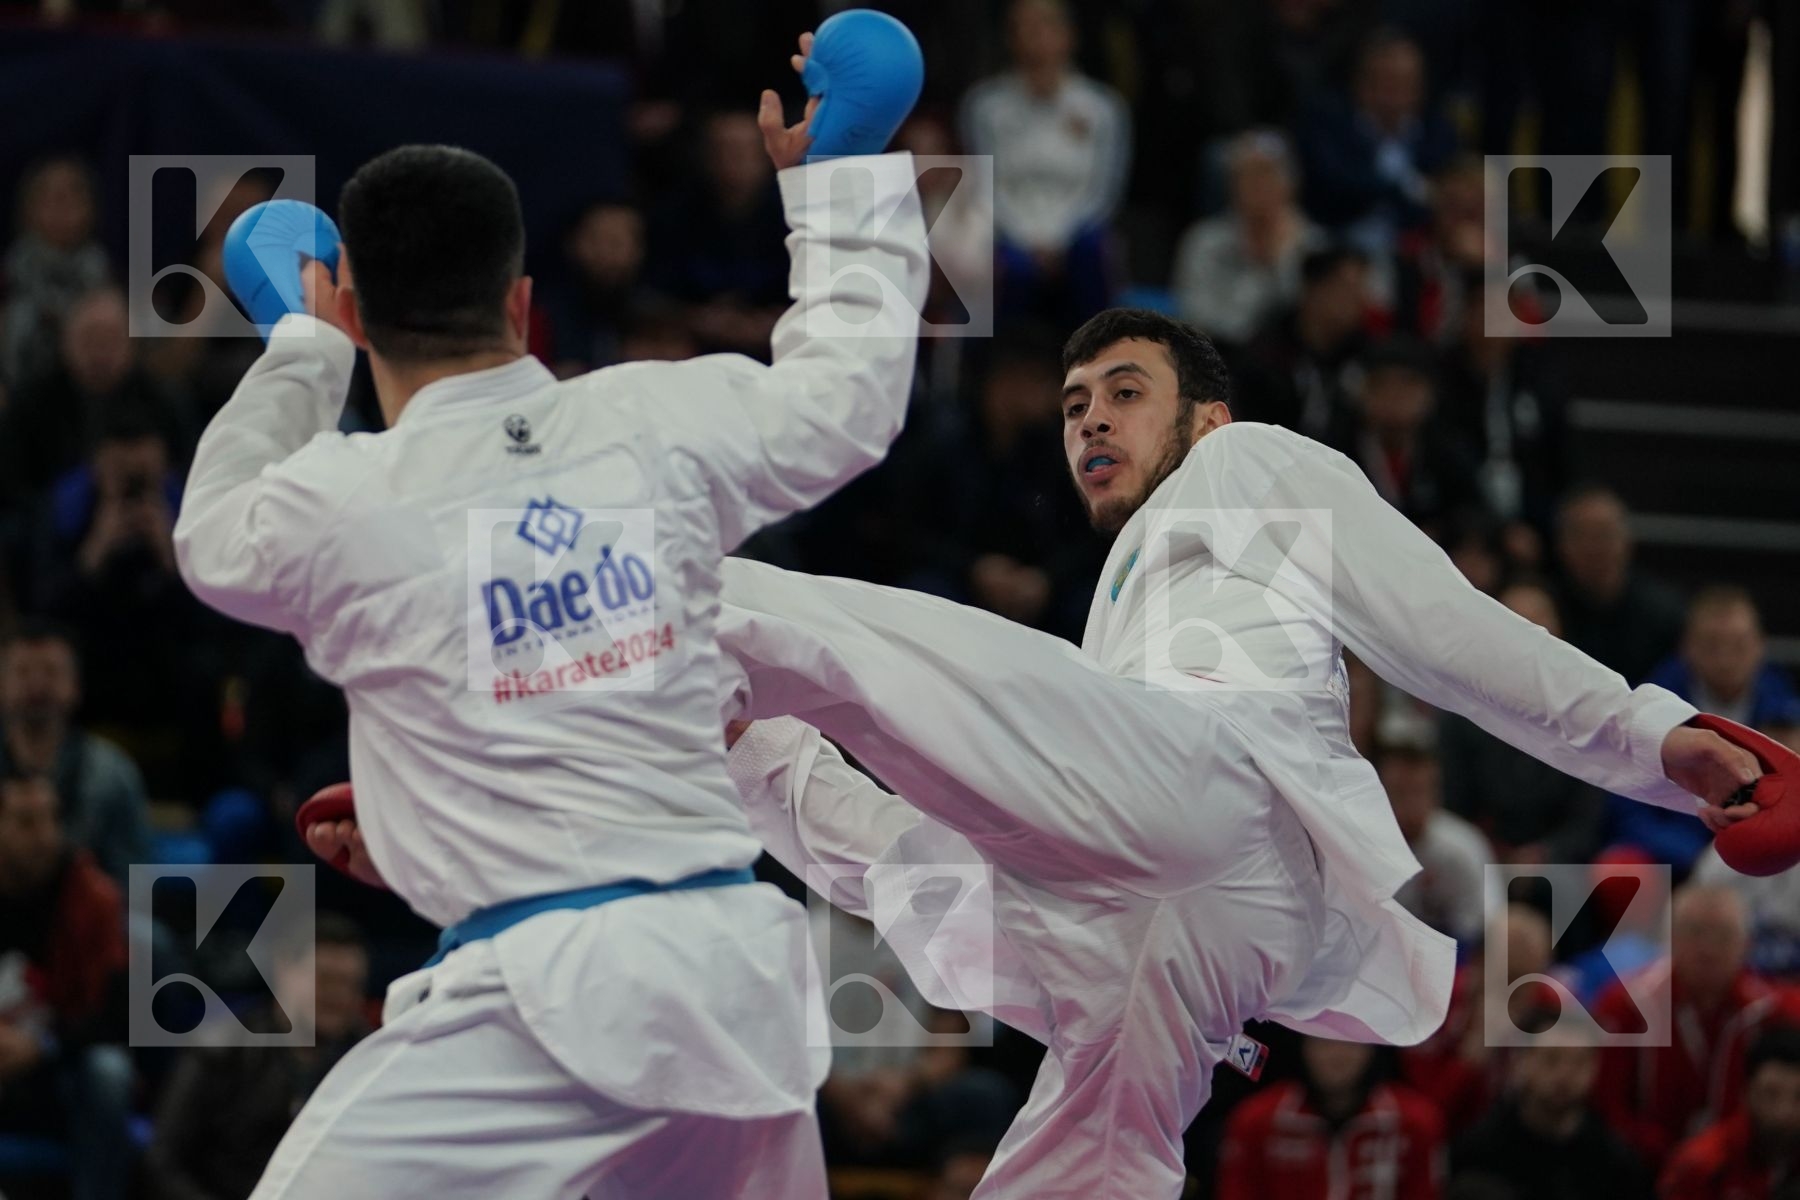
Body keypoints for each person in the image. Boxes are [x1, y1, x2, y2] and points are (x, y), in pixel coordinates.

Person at [321, 310, 1762, 1198]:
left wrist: (1652, 735)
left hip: (1217, 815)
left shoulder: (1252, 469)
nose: (1088, 423)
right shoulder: (1116, 616)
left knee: (841, 644)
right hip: (1154, 948)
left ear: (1205, 412)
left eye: (1121, 393)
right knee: (869, 844)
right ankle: (546, 783)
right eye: (1073, 406)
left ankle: (493, 689)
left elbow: (1447, 634)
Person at [175, 19, 928, 1198]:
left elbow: (210, 537)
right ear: (523, 304)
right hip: (737, 980)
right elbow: (853, 402)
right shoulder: (658, 421)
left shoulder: (346, 498)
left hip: (542, 1000)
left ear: (362, 312)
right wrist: (840, 182)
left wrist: (298, 348)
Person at [147, 914, 373, 1200]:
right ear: (283, 970)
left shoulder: (370, 1060)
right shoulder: (220, 1049)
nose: (339, 995)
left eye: (351, 984)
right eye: (325, 979)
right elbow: (162, 1162)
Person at [1594, 884, 1800, 1169]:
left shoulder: (1777, 1011)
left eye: (1723, 936)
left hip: (1746, 1169)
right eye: (1695, 932)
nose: (1708, 949)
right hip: (1640, 1168)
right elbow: (1609, 1106)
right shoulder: (1626, 1005)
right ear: (1670, 939)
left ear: (1746, 944)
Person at [0, 768, 133, 1200]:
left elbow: (114, 1013)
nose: (43, 835)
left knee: (110, 1073)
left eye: (51, 819)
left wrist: (43, 1043)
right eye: (25, 821)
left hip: (58, 1066)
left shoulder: (93, 896)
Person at [960, 0, 1130, 325]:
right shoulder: (984, 106)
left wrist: (1060, 240)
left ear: (1069, 36)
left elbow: (1105, 191)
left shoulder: (1103, 107)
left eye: (1045, 26)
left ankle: (1095, 363)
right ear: (1010, 38)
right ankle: (996, 369)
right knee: (1006, 266)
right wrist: (1027, 240)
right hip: (1009, 232)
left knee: (1092, 252)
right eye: (1025, 28)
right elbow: (983, 186)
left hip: (1079, 232)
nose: (1036, 37)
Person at [0, 619, 152, 882]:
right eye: (23, 672)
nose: (37, 685)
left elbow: (134, 878)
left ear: (75, 686)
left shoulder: (113, 774)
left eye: (50, 672)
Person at [1217, 1036, 1445, 1200]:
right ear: (1303, 1046)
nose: (1337, 1055)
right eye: (1324, 1042)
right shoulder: (1255, 1120)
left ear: (1373, 1048)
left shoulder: (1416, 1121)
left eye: (1351, 1042)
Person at [1452, 1022, 1655, 1200]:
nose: (1564, 1074)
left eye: (1579, 1062)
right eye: (1551, 1059)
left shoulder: (1615, 1160)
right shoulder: (1480, 1151)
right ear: (1521, 1062)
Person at [1172, 129, 1326, 345]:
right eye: (1247, 175)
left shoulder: (1312, 245)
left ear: (1291, 184)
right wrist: (1262, 271)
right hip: (1220, 360)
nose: (1258, 185)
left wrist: (1281, 260)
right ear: (1231, 185)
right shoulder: (1204, 242)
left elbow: (1314, 324)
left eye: (1267, 173)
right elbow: (1199, 321)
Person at [1553, 485, 1686, 686]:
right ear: (1561, 544)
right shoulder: (1546, 607)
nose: (1594, 548)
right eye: (1582, 535)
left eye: (1604, 534)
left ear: (1627, 539)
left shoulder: (1665, 615)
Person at [1659, 1025, 1800, 1200]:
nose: (1784, 1112)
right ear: (1745, 1092)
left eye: (1798, 1097)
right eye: (1771, 1094)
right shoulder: (1702, 1165)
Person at [1381, 737, 1494, 947]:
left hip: (1457, 959)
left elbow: (1486, 923)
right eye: (1399, 793)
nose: (1409, 804)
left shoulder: (1463, 846)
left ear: (1435, 793)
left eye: (1418, 791)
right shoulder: (1364, 846)